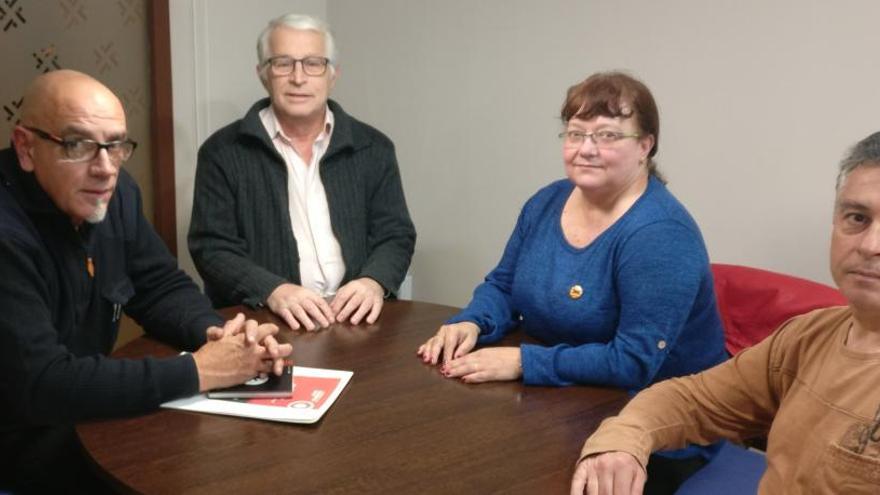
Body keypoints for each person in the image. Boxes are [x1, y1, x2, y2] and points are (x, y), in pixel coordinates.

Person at [417, 72, 728, 493]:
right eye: (576, 133)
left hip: (653, 431)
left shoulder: (661, 235)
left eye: (606, 135)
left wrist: (524, 363)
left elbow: (633, 361)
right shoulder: (546, 201)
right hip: (562, 400)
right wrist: (472, 321)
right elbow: (505, 285)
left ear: (645, 145)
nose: (586, 149)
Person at [0, 70, 293, 493]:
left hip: (81, 418)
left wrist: (218, 335)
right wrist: (198, 370)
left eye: (116, 145)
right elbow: (43, 384)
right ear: (26, 148)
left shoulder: (115, 194)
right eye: (77, 145)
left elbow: (159, 285)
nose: (104, 169)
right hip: (21, 445)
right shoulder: (7, 232)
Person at [570, 131, 880, 495]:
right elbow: (694, 399)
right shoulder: (809, 337)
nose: (871, 245)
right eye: (857, 218)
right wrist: (622, 439)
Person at [188, 13, 416, 331]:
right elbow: (212, 248)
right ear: (263, 74)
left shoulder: (373, 148)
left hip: (356, 320)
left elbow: (395, 235)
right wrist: (273, 290)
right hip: (265, 318)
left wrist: (373, 282)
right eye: (283, 63)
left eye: (313, 63)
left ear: (332, 75)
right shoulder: (222, 152)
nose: (298, 77)